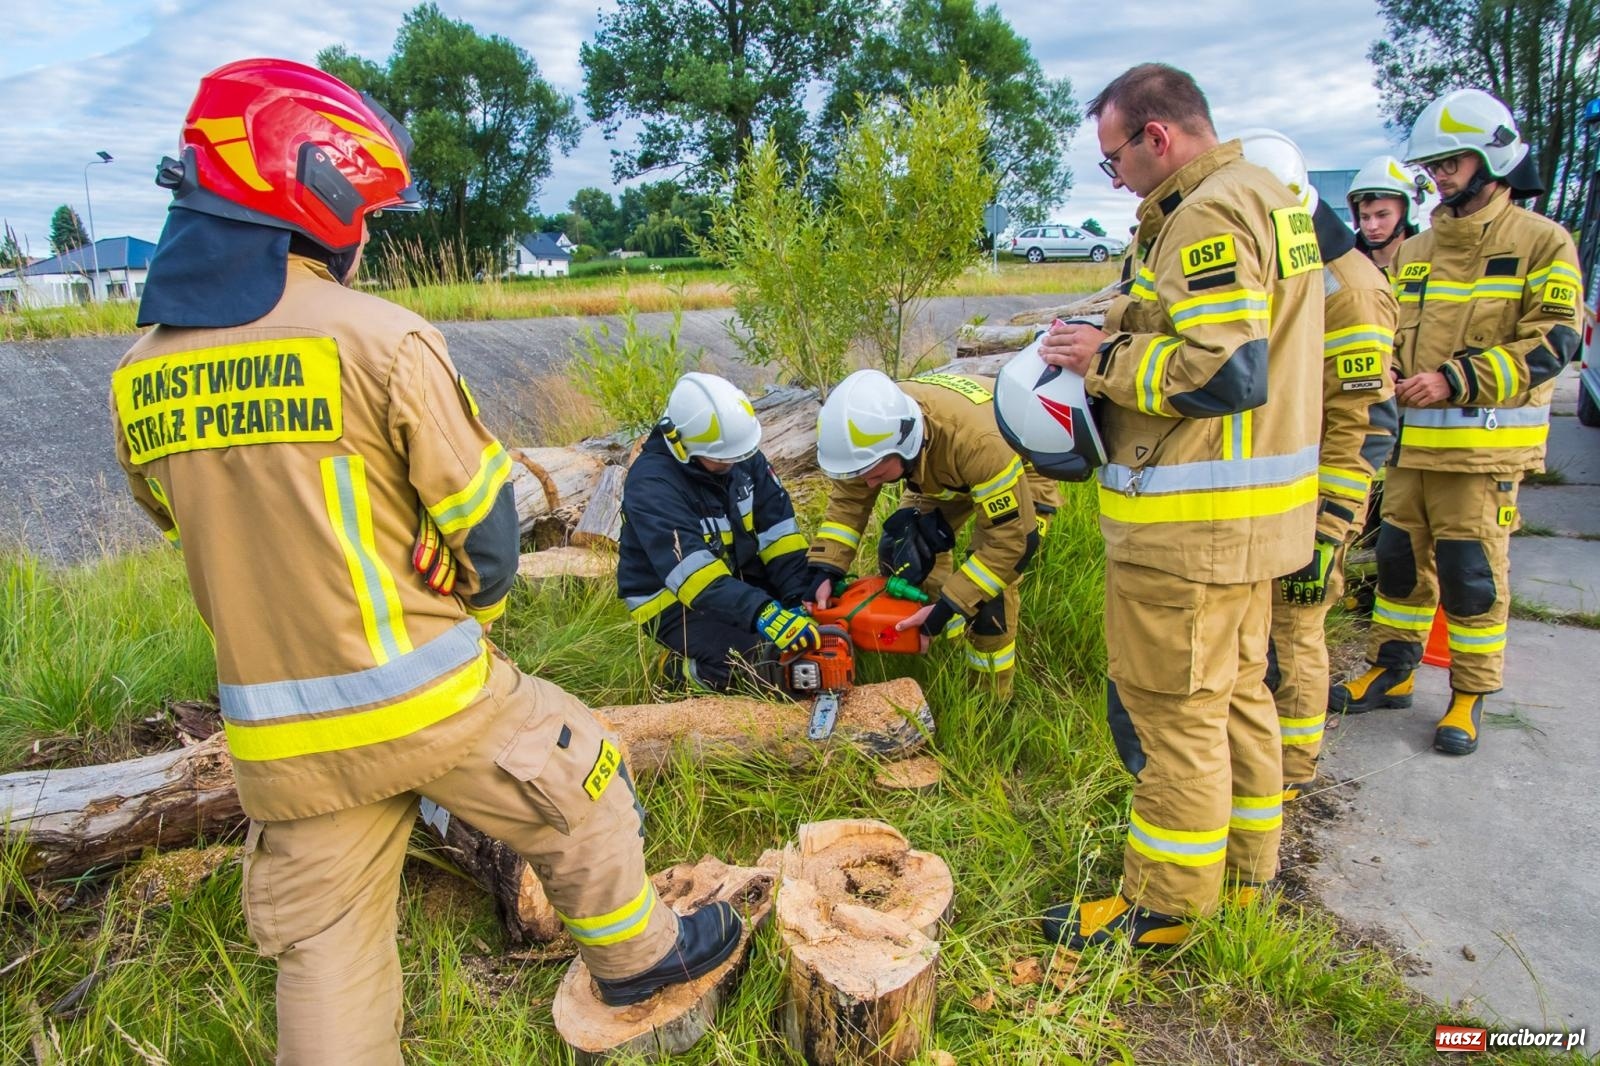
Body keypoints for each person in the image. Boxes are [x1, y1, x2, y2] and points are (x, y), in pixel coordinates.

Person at [110, 59, 740, 1064]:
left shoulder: (139, 378)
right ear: (313, 193)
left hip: (280, 741)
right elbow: (485, 537)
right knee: (582, 786)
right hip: (430, 702)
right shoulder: (381, 339)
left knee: (325, 952)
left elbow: (192, 520)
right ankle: (641, 959)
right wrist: (464, 582)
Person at [1032, 64, 1323, 949]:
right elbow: (1218, 323)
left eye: (1114, 159)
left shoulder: (1204, 213)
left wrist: (1102, 362)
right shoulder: (1270, 197)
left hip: (1191, 527)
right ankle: (1244, 878)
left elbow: (1225, 370)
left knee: (1175, 715)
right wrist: (1122, 310)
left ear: (1157, 136)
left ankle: (1162, 906)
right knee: (1237, 700)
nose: (1114, 178)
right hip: (1254, 520)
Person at [1329, 88, 1583, 756]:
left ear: (1491, 158)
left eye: (1453, 162)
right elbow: (1390, 337)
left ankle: (1468, 694)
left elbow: (1554, 343)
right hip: (1411, 452)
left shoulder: (1542, 243)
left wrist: (1454, 379)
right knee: (1398, 569)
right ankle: (1392, 670)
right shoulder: (1416, 253)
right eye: (1434, 165)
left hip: (1482, 456)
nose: (1440, 176)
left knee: (1471, 576)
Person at [1236, 129, 1399, 800]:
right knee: (1262, 636)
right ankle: (1260, 759)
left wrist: (1330, 526)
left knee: (1297, 632)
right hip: (1271, 497)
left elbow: (1366, 425)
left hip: (1320, 503)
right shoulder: (1295, 269)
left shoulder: (1349, 291)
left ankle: (1294, 772)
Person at [806, 368, 1057, 699]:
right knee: (904, 550)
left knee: (989, 594)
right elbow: (848, 504)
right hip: (940, 471)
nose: (868, 483)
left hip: (1019, 472)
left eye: (876, 474)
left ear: (904, 444)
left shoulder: (978, 445)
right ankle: (926, 634)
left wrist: (955, 603)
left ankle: (990, 699)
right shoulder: (869, 431)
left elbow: (1012, 543)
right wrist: (825, 567)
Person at [617, 371, 820, 691]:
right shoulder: (651, 485)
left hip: (733, 577)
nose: (733, 464)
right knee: (762, 661)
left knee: (815, 630)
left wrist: (796, 596)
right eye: (721, 459)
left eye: (738, 455)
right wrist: (762, 611)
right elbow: (693, 579)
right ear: (681, 445)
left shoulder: (739, 454)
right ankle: (680, 675)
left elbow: (779, 535)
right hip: (672, 601)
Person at [1347, 155, 1437, 275]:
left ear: (1407, 212)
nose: (1372, 226)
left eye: (1382, 215)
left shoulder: (1435, 263)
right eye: (1365, 217)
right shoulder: (1344, 266)